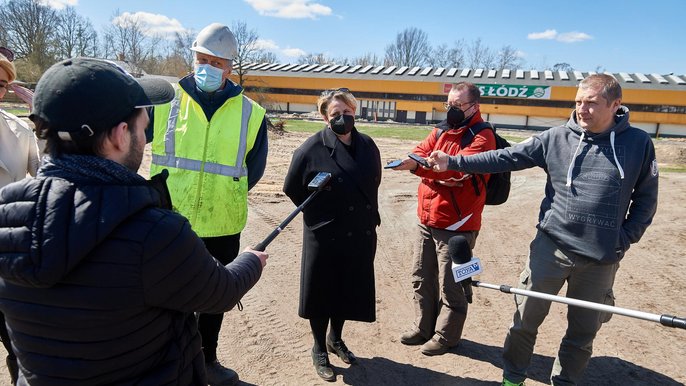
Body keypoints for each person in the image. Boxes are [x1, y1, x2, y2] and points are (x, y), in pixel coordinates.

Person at [0, 57, 268, 385]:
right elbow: (221, 292)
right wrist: (251, 262)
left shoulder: (7, 215)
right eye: (143, 127)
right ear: (119, 136)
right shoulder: (154, 232)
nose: (145, 137)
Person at [429, 74, 659, 386]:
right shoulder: (556, 138)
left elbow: (646, 199)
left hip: (601, 258)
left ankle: (564, 382)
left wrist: (623, 239)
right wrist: (454, 161)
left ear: (615, 104)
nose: (581, 109)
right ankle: (512, 378)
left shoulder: (638, 144)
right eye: (578, 101)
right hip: (550, 249)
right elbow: (505, 157)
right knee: (524, 322)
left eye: (591, 102)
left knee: (582, 333)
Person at [148, 23, 269, 386]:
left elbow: (254, 169)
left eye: (216, 62)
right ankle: (164, 362)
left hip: (223, 222)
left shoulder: (251, 114)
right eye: (202, 59)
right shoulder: (164, 100)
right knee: (165, 297)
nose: (207, 68)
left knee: (214, 298)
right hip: (170, 220)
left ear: (230, 67)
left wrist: (223, 193)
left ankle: (207, 359)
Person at [390, 82, 496, 356]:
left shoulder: (483, 136)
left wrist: (421, 167)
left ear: (475, 106)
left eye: (458, 105)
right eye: (449, 104)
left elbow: (457, 172)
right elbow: (420, 152)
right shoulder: (440, 129)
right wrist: (421, 163)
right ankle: (423, 327)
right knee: (421, 277)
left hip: (459, 226)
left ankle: (447, 336)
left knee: (455, 285)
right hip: (427, 219)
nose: (452, 110)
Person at [283, 88, 381, 382]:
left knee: (348, 290)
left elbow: (372, 181)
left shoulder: (367, 144)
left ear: (355, 111)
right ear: (325, 117)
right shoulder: (310, 148)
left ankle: (335, 339)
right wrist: (320, 214)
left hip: (359, 232)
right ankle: (318, 347)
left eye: (347, 112)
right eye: (335, 114)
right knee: (321, 292)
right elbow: (292, 188)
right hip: (325, 234)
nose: (342, 117)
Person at [0, 50, 39, 385]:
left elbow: (48, 178)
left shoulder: (18, 131)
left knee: (18, 346)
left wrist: (41, 122)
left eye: (0, 84)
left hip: (5, 258)